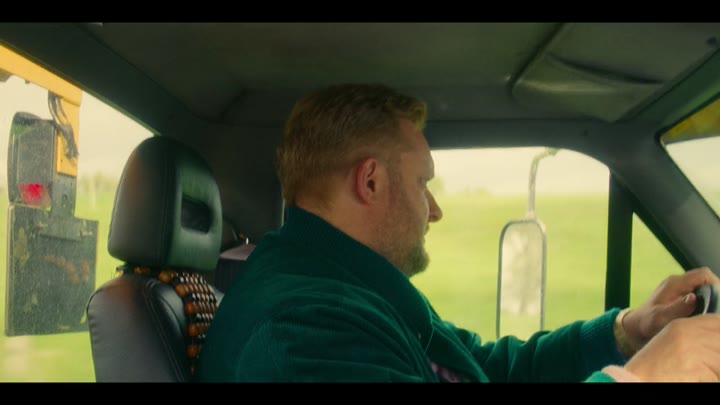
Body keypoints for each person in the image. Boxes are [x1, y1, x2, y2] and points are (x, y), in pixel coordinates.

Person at [195, 83, 720, 382]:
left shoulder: (346, 292)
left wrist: (627, 334)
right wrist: (643, 377)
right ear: (371, 181)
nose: (435, 209)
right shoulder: (301, 330)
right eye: (422, 183)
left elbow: (483, 369)